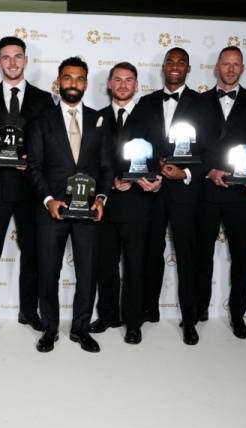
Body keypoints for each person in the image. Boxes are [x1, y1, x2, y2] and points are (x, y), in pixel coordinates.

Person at [27, 57, 110, 353]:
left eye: (79, 78)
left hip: (88, 211)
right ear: (58, 81)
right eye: (67, 77)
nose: (73, 83)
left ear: (85, 83)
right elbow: (33, 166)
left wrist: (101, 198)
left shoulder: (99, 120)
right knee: (48, 271)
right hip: (53, 210)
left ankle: (81, 329)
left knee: (87, 272)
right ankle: (49, 329)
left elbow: (107, 166)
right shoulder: (42, 120)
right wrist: (49, 200)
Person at [0, 36, 54, 342]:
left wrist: (33, 160)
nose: (12, 62)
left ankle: (28, 311)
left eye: (17, 56)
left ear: (26, 60)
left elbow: (51, 143)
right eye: (5, 57)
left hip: (31, 189)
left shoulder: (44, 100)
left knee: (33, 254)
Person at [135, 47, 212, 345]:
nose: (175, 66)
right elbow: (137, 144)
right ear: (163, 66)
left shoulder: (202, 104)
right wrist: (150, 169)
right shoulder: (146, 102)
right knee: (150, 252)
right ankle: (148, 309)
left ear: (188, 69)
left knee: (187, 256)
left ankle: (189, 319)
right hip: (152, 191)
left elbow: (211, 151)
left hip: (186, 193)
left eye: (181, 62)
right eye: (170, 61)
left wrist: (186, 173)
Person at [195, 46, 246, 339]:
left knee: (241, 257)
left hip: (241, 195)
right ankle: (199, 307)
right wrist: (209, 171)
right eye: (226, 63)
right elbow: (191, 148)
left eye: (236, 64)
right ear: (217, 66)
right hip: (207, 192)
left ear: (242, 69)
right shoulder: (198, 102)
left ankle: (238, 314)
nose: (231, 69)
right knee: (202, 254)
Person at [90, 62, 162, 345]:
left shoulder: (150, 118)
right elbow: (89, 161)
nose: (122, 85)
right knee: (105, 264)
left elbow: (158, 157)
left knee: (135, 265)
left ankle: (133, 322)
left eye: (128, 80)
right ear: (109, 84)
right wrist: (109, 184)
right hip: (104, 204)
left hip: (138, 203)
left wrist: (155, 180)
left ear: (136, 85)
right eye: (117, 79)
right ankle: (108, 315)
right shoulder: (96, 118)